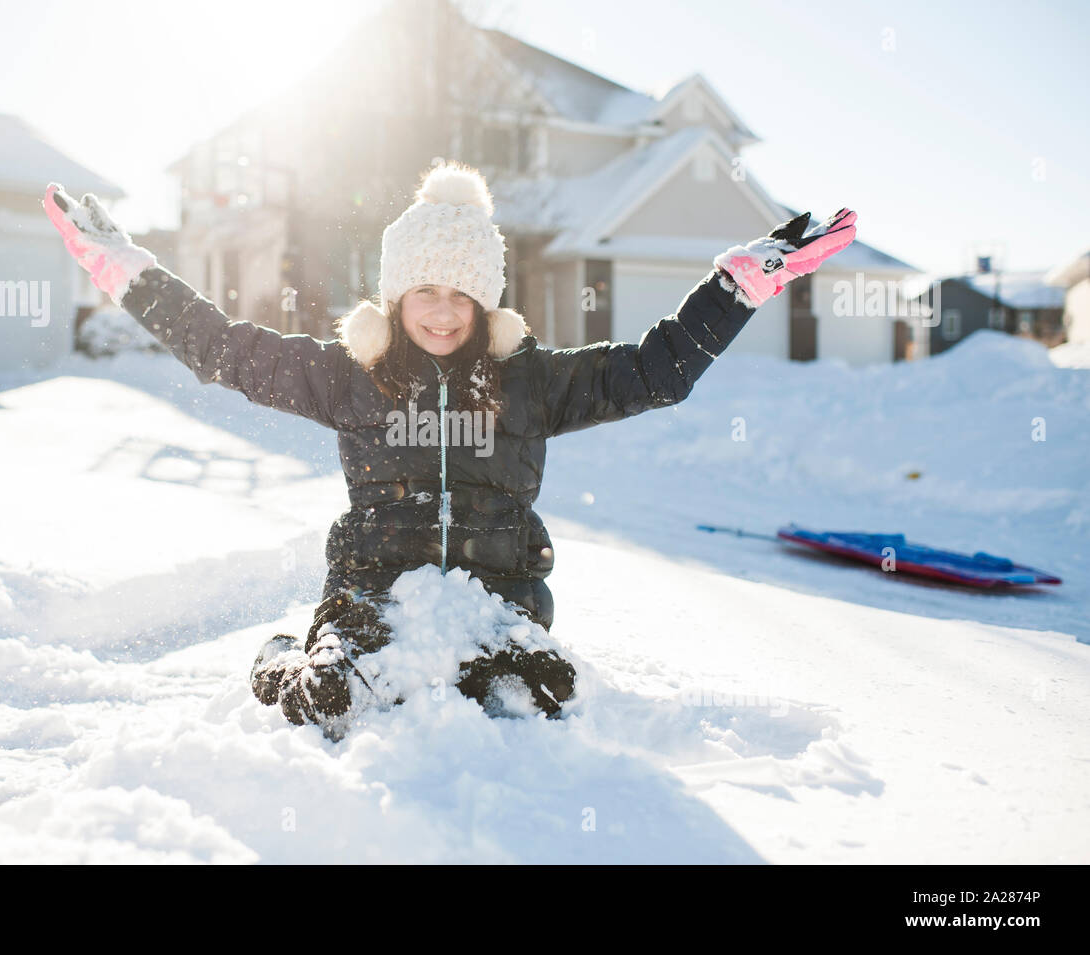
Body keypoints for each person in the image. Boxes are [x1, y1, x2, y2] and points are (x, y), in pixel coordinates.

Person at [43, 161, 857, 735]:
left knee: (543, 700)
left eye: (459, 293)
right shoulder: (351, 376)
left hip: (495, 604)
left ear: (484, 299)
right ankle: (285, 655)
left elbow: (655, 370)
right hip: (370, 604)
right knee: (327, 701)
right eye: (423, 292)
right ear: (396, 299)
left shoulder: (529, 382)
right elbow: (224, 349)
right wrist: (127, 271)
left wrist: (740, 284)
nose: (440, 312)